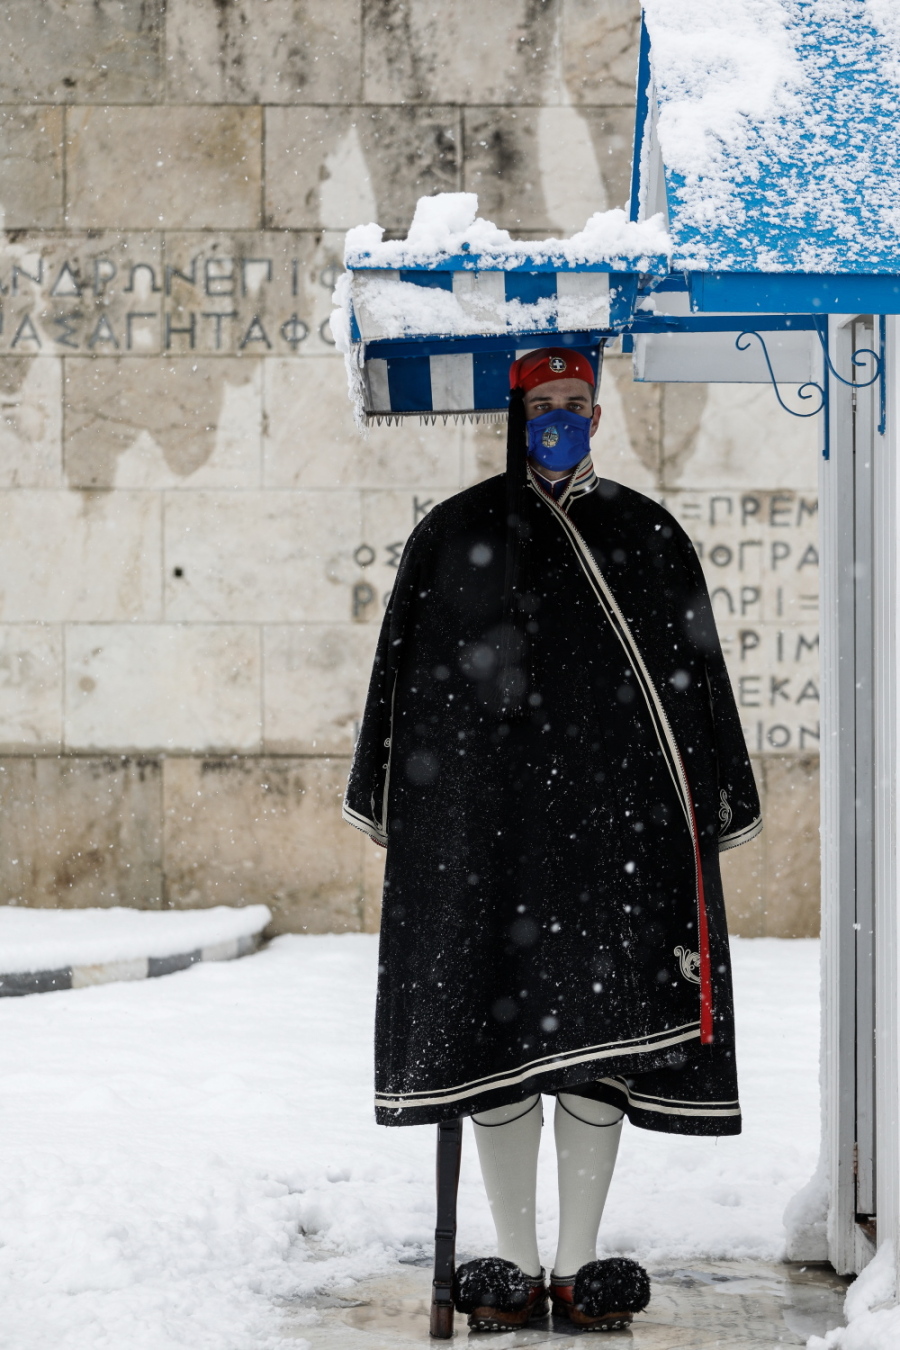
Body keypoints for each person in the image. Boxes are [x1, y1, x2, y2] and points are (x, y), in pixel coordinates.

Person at [344, 346, 761, 1331]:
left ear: (600, 418)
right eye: (545, 406)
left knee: (598, 1052)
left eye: (578, 404)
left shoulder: (646, 534)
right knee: (494, 1048)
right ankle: (512, 1261)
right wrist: (410, 804)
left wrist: (712, 798)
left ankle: (579, 1265)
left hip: (612, 847)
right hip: (489, 847)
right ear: (516, 414)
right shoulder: (454, 536)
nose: (562, 421)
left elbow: (693, 685)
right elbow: (404, 688)